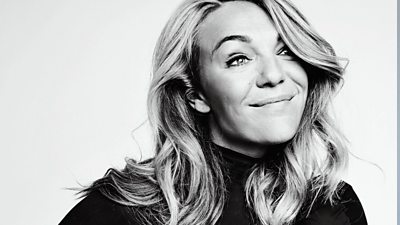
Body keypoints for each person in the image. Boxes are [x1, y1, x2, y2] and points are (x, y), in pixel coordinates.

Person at [59, 0, 368, 224]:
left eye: (285, 50)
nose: (273, 75)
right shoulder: (124, 209)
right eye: (238, 59)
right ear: (197, 96)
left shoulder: (336, 207)